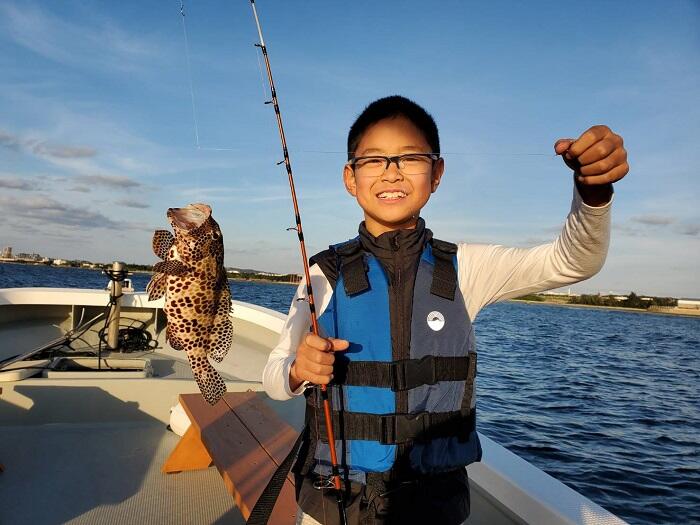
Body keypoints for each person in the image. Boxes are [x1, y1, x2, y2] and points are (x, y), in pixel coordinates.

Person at [263, 95, 628, 525]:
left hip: (433, 506)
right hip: (334, 503)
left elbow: (572, 261)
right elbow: (273, 377)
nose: (391, 172)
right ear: (350, 177)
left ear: (436, 173)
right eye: (373, 160)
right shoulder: (323, 272)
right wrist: (296, 369)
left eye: (410, 158)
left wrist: (593, 194)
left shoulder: (466, 267)